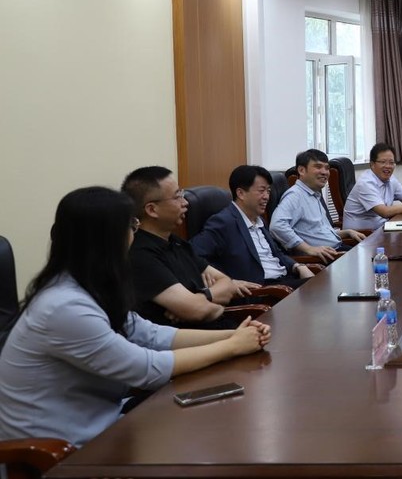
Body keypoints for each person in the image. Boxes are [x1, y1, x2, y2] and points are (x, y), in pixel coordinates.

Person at [0, 187, 270, 447]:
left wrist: (234, 336)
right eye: (131, 225)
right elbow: (146, 368)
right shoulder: (64, 306)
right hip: (60, 452)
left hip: (101, 423)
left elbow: (150, 334)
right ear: (107, 238)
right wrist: (231, 346)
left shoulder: (89, 285)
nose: (135, 232)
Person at [122, 166, 260, 329]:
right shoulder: (141, 255)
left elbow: (227, 283)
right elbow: (196, 310)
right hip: (191, 340)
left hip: (220, 329)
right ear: (152, 209)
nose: (185, 202)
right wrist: (206, 303)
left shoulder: (177, 243)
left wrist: (202, 297)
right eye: (177, 197)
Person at [190, 166, 314, 288]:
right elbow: (191, 256)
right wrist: (228, 282)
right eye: (261, 191)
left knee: (320, 284)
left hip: (285, 281)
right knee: (318, 288)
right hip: (265, 290)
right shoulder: (223, 222)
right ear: (241, 193)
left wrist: (297, 266)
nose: (266, 197)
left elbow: (277, 254)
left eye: (268, 191)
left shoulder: (259, 220)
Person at [270, 149, 366, 263]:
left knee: (375, 256)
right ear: (301, 170)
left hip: (336, 250)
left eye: (327, 168)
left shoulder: (313, 194)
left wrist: (348, 232)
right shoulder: (295, 195)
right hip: (325, 259)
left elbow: (318, 233)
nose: (325, 172)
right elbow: (277, 226)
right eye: (318, 167)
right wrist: (309, 249)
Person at [342, 143, 402, 231]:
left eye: (391, 162)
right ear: (372, 164)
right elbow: (385, 212)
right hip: (361, 235)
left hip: (381, 228)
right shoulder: (365, 183)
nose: (388, 166)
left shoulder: (391, 179)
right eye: (383, 162)